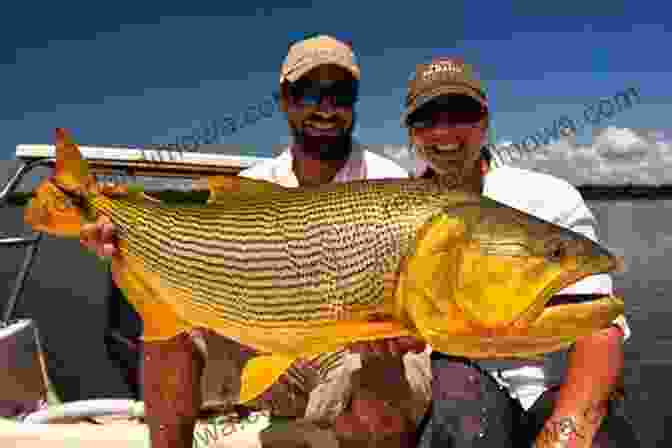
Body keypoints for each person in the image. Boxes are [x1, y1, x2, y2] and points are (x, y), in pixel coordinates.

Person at [81, 34, 425, 448]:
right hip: (269, 340)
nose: (325, 107)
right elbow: (191, 262)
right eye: (308, 93)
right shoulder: (251, 187)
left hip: (355, 344)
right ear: (284, 99)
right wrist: (118, 245)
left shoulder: (391, 184)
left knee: (374, 383)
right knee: (169, 332)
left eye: (340, 93)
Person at [400, 56, 639, 447]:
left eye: (461, 113)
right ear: (411, 132)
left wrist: (563, 435)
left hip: (550, 390)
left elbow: (601, 326)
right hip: (454, 386)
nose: (444, 131)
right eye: (427, 118)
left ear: (485, 121)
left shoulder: (547, 196)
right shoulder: (395, 212)